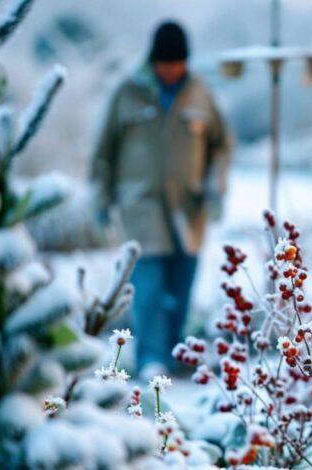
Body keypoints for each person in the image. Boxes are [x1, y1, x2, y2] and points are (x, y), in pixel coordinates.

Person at [91, 20, 231, 378]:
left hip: (189, 208)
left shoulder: (200, 94)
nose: (171, 70)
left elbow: (221, 146)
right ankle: (151, 358)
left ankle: (170, 355)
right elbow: (104, 152)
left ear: (186, 62)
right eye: (165, 63)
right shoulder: (128, 93)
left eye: (178, 63)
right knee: (150, 286)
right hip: (140, 206)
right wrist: (101, 200)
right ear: (153, 61)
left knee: (180, 288)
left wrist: (216, 187)